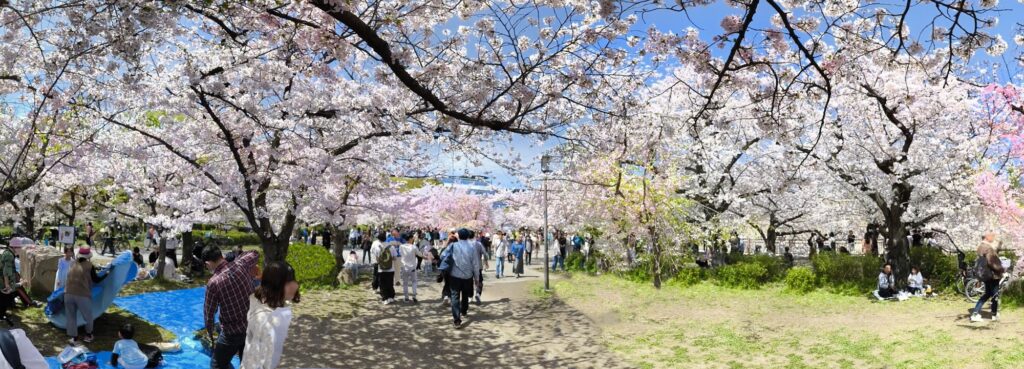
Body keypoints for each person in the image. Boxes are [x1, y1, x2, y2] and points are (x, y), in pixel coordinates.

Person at [203, 247, 259, 369]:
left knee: (217, 364)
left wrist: (210, 333)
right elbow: (254, 253)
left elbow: (209, 314)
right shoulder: (241, 264)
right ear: (221, 256)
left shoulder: (213, 283)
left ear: (208, 263)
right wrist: (237, 259)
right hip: (252, 324)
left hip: (232, 332)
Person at [239, 261, 300, 369]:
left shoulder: (268, 300)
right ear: (275, 286)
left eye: (293, 280)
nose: (294, 285)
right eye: (288, 282)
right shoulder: (264, 322)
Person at [438, 229, 481, 329]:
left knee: (455, 296)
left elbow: (443, 255)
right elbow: (475, 264)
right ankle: (464, 310)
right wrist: (477, 278)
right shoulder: (472, 247)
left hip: (455, 275)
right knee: (465, 294)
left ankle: (457, 320)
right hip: (468, 276)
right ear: (467, 236)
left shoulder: (453, 246)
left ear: (459, 236)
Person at [64, 247, 107, 343]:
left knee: (71, 316)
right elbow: (96, 279)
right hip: (81, 294)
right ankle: (88, 335)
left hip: (68, 293)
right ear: (88, 256)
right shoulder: (89, 265)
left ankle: (74, 338)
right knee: (88, 316)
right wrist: (106, 274)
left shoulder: (72, 263)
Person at [970, 234, 1005, 322]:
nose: (993, 238)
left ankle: (975, 313)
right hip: (993, 275)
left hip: (985, 274)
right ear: (987, 238)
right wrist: (1001, 269)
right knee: (995, 295)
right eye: (992, 237)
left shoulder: (980, 247)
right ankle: (994, 314)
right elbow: (991, 262)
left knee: (987, 294)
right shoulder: (988, 248)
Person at [399, 233, 426, 303]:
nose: (413, 239)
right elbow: (420, 254)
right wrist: (425, 257)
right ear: (410, 239)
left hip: (404, 266)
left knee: (405, 283)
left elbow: (401, 254)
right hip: (412, 267)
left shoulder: (401, 246)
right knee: (414, 282)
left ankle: (406, 298)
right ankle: (414, 296)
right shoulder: (414, 247)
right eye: (412, 238)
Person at [377, 236, 398, 304]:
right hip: (390, 269)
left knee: (382, 284)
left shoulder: (377, 247)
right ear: (385, 238)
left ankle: (385, 299)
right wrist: (389, 259)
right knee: (390, 283)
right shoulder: (391, 247)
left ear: (379, 240)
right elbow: (395, 258)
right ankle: (391, 297)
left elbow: (377, 259)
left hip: (381, 269)